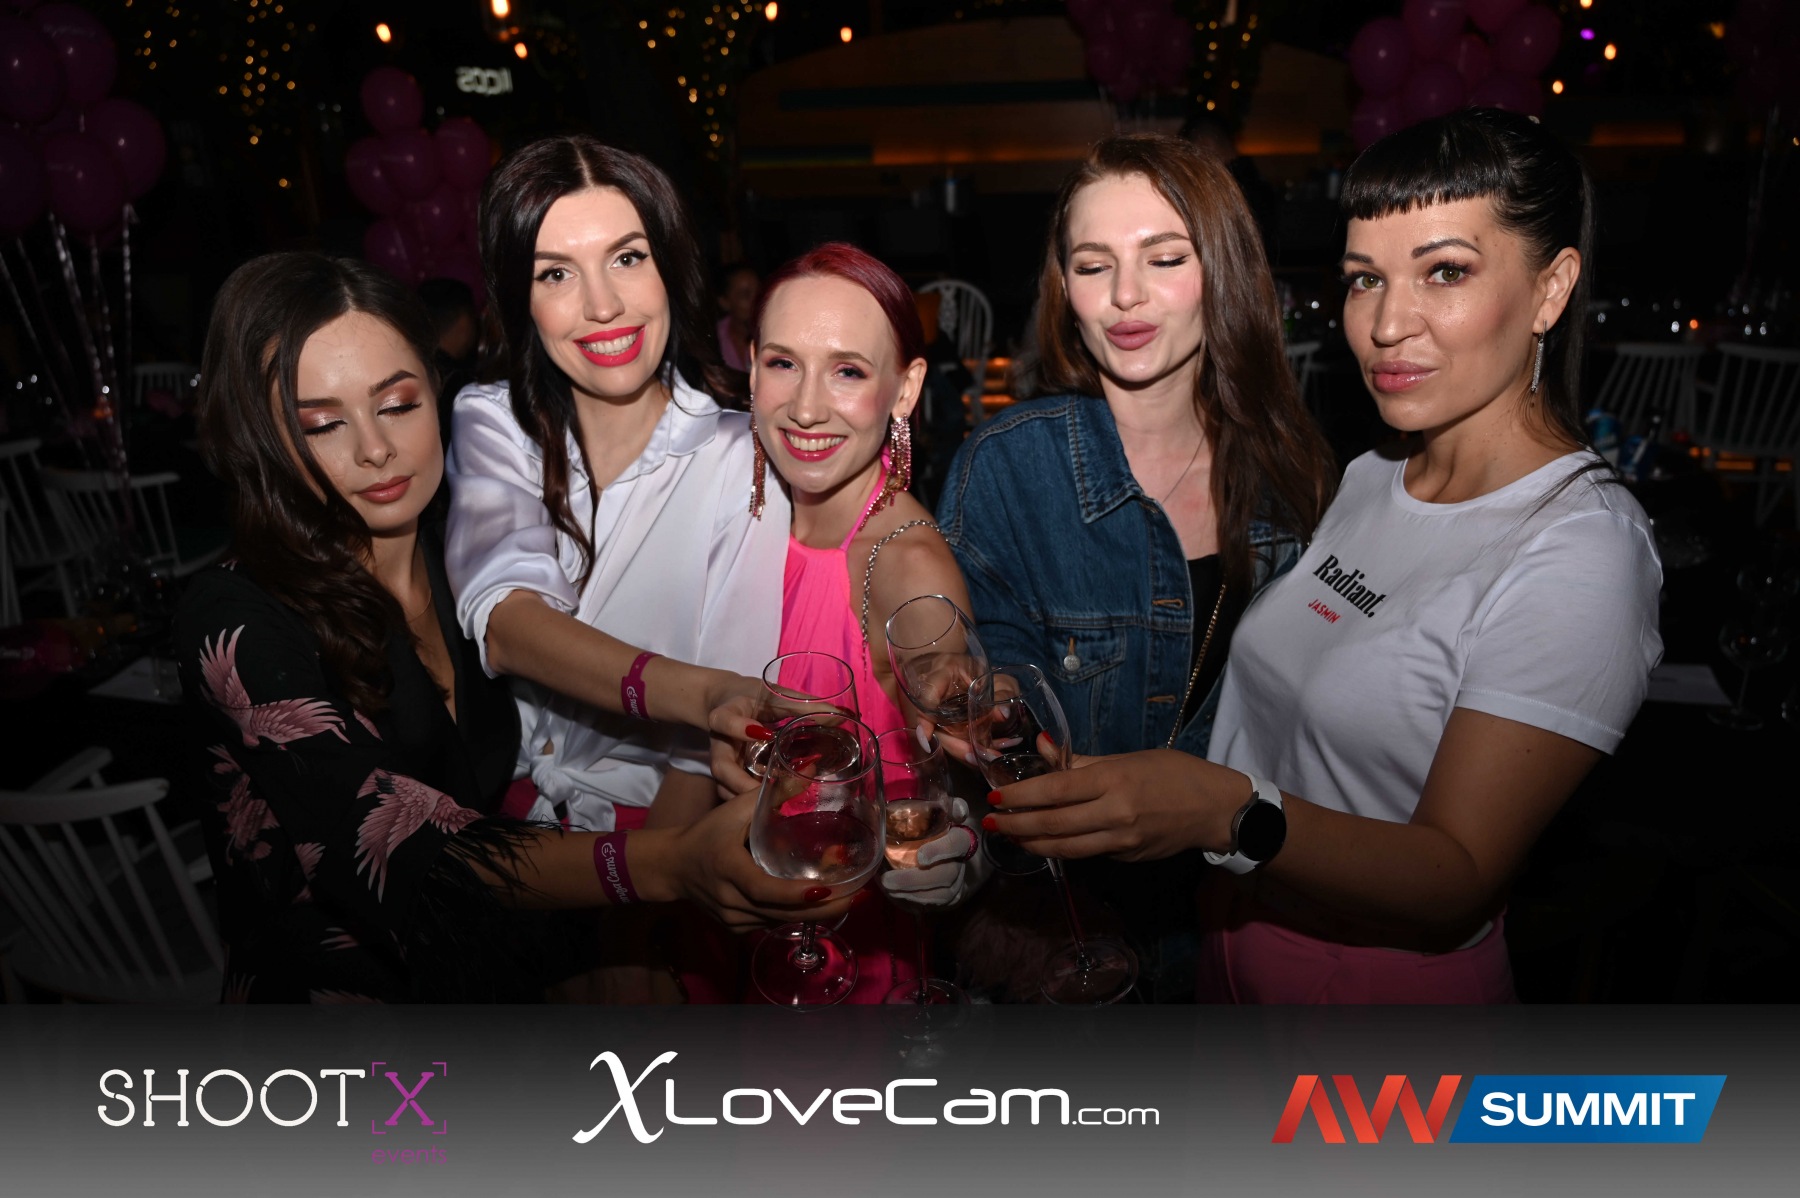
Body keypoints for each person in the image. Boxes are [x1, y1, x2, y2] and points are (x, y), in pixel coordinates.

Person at [981, 109, 1663, 1004]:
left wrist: (1221, 810)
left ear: (1551, 288)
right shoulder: (1374, 474)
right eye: (1364, 279)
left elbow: (1455, 878)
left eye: (1445, 272)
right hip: (1230, 961)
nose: (1387, 324)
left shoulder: (1581, 549)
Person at [176, 253, 852, 1003]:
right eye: (324, 424)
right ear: (263, 440)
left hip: (502, 981)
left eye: (397, 405)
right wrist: (667, 864)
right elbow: (402, 847)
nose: (374, 449)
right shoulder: (236, 619)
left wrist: (713, 697)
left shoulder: (464, 552)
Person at [934, 133, 1336, 1000]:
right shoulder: (1009, 466)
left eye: (1164, 258)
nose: (1125, 295)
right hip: (1063, 931)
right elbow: (985, 659)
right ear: (1064, 288)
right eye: (1093, 265)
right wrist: (988, 709)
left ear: (1223, 270)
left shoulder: (1293, 473)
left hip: (1245, 926)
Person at [445, 136, 790, 835]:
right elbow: (506, 621)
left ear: (670, 267)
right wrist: (702, 694)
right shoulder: (493, 420)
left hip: (662, 828)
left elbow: (706, 752)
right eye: (555, 274)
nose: (602, 305)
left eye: (627, 258)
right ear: (520, 299)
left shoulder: (743, 454)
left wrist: (654, 879)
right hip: (501, 822)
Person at [748, 243, 985, 944]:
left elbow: (957, 770)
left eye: (847, 371)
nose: (806, 408)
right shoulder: (734, 514)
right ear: (751, 365)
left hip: (847, 948)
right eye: (783, 363)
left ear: (905, 389)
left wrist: (954, 857)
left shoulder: (907, 564)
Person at [716, 261, 759, 373]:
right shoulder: (715, 340)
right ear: (724, 302)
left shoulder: (774, 332)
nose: (756, 300)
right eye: (745, 295)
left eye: (759, 292)